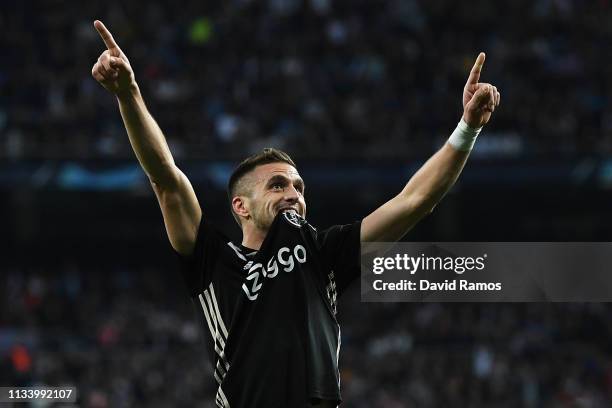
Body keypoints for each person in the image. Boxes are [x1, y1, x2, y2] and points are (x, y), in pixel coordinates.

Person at [91, 19, 500, 408]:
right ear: (241, 207)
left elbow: (414, 201)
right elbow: (166, 178)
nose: (293, 194)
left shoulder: (322, 253)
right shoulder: (212, 261)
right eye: (277, 186)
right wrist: (128, 94)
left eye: (298, 187)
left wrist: (467, 128)